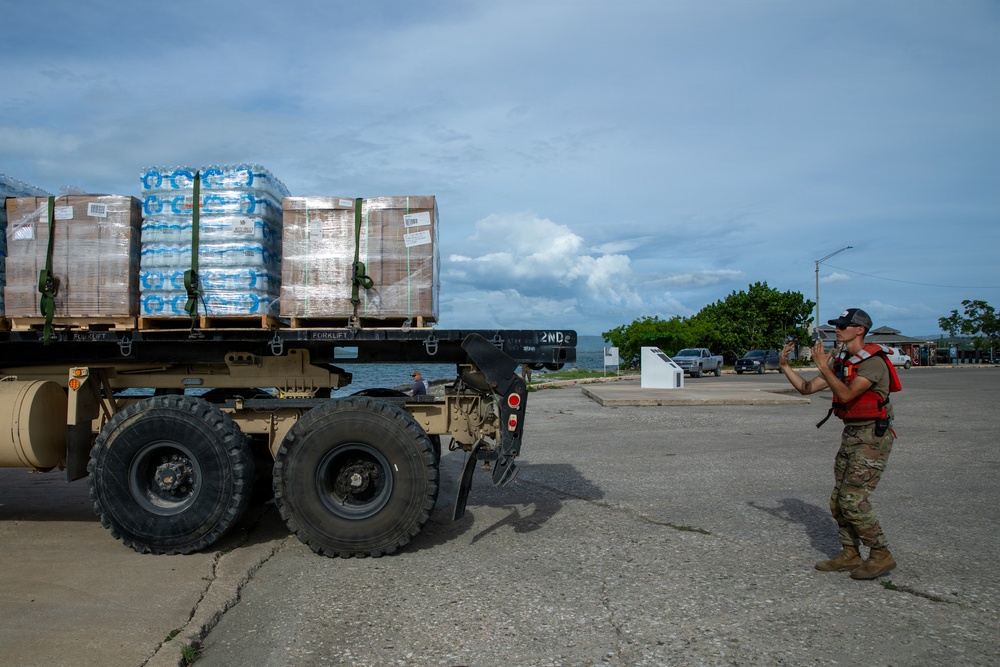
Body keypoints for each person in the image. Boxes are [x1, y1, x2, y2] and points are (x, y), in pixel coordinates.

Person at [778, 308, 901, 580]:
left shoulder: (873, 363)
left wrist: (824, 366)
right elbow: (806, 389)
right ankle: (850, 554)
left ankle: (881, 554)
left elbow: (845, 395)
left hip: (872, 437)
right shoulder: (844, 361)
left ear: (860, 330)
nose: (838, 329)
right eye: (837, 325)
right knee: (838, 500)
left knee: (853, 500)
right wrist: (785, 366)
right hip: (852, 434)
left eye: (844, 326)